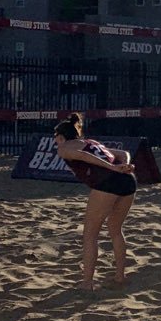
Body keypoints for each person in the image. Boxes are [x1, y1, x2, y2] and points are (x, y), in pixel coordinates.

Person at [54, 113, 137, 291]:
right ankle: (120, 277)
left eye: (56, 139)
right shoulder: (92, 142)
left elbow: (84, 157)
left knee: (90, 234)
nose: (55, 143)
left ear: (61, 137)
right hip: (128, 180)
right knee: (115, 229)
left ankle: (87, 283)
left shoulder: (64, 147)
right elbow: (124, 153)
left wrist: (112, 167)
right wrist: (125, 165)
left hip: (108, 182)